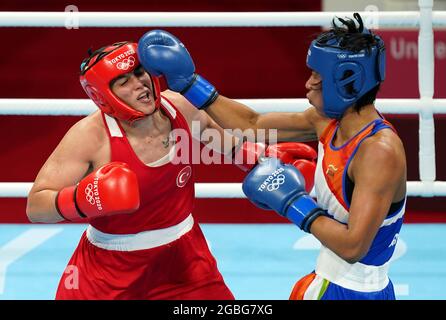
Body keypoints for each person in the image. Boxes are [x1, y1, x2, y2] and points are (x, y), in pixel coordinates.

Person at [137, 12, 407, 300]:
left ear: (347, 80)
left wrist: (293, 202)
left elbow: (354, 247)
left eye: (318, 75)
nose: (309, 83)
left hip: (355, 291)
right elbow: (251, 125)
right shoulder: (327, 121)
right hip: (328, 281)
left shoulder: (378, 152)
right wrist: (190, 83)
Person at [26, 41, 316, 300]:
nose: (139, 84)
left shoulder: (180, 107)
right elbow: (36, 205)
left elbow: (231, 146)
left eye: (140, 72)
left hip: (184, 259)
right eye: (123, 81)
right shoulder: (90, 137)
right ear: (103, 95)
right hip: (108, 270)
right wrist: (81, 199)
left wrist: (267, 159)